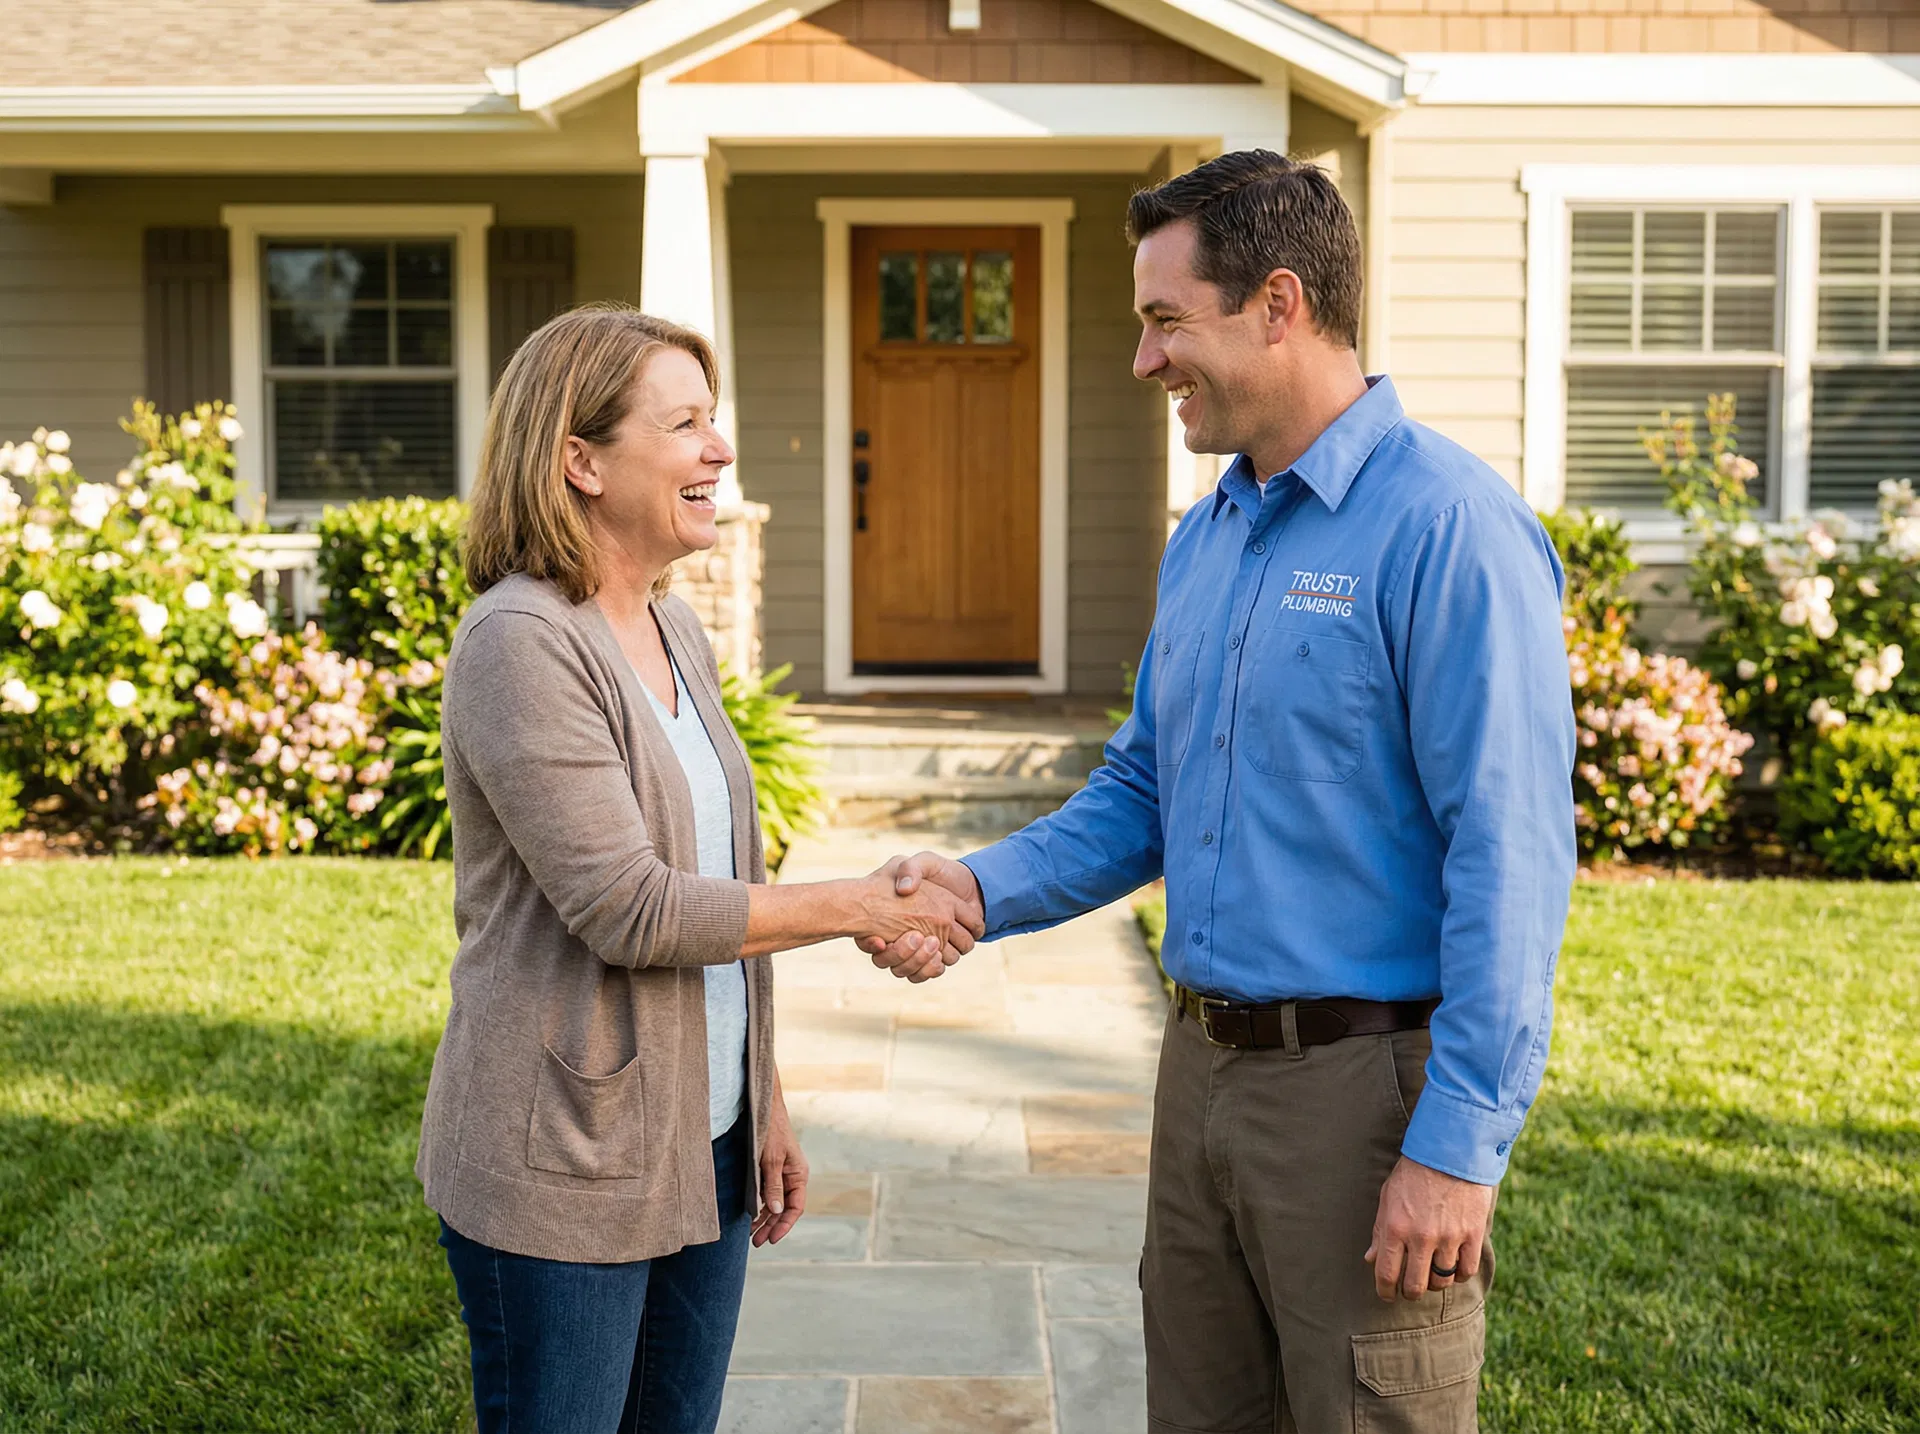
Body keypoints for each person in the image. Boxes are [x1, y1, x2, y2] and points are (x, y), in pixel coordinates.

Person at [865, 152, 1577, 1432]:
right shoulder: (1209, 537)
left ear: (1279, 305)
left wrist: (1456, 1146)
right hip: (1196, 1077)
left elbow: (1511, 856)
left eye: (1163, 321)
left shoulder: (1449, 530)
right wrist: (977, 887)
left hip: (1362, 1097)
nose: (1146, 363)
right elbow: (1143, 788)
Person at [417, 302, 979, 1434]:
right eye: (683, 425)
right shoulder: (520, 642)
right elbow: (631, 909)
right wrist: (864, 903)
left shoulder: (677, 633)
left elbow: (721, 880)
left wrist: (759, 1100)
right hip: (562, 1163)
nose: (719, 450)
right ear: (579, 460)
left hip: (701, 1143)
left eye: (711, 421)